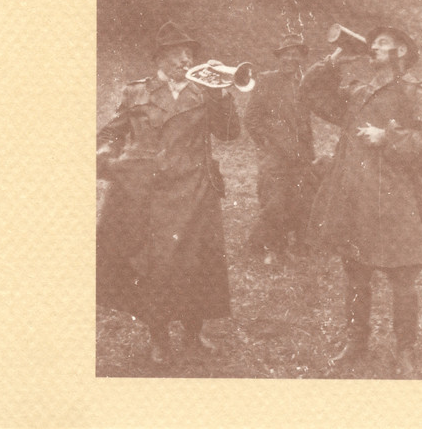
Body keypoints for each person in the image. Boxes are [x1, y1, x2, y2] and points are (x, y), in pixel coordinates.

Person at [96, 21, 240, 365]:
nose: (185, 60)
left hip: (195, 189)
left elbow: (229, 133)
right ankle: (159, 337)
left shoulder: (205, 91)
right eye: (176, 54)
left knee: (198, 263)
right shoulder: (137, 92)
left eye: (188, 53)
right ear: (160, 59)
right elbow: (112, 133)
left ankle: (193, 333)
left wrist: (222, 94)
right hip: (150, 193)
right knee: (156, 267)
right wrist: (106, 157)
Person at [300, 26, 422, 377]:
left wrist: (386, 136)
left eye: (383, 43)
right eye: (373, 42)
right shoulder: (359, 92)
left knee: (402, 277)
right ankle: (356, 342)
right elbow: (311, 95)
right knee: (356, 273)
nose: (373, 46)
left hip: (395, 199)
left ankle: (405, 349)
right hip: (356, 198)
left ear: (401, 52)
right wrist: (333, 62)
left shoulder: (415, 92)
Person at [244, 33, 316, 263]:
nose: (290, 59)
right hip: (275, 156)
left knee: (298, 200)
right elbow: (251, 118)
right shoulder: (266, 81)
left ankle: (295, 247)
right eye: (286, 54)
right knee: (274, 202)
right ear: (279, 58)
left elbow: (305, 123)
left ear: (301, 59)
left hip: (300, 156)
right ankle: (265, 246)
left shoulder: (302, 84)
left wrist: (307, 152)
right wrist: (267, 144)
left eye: (296, 55)